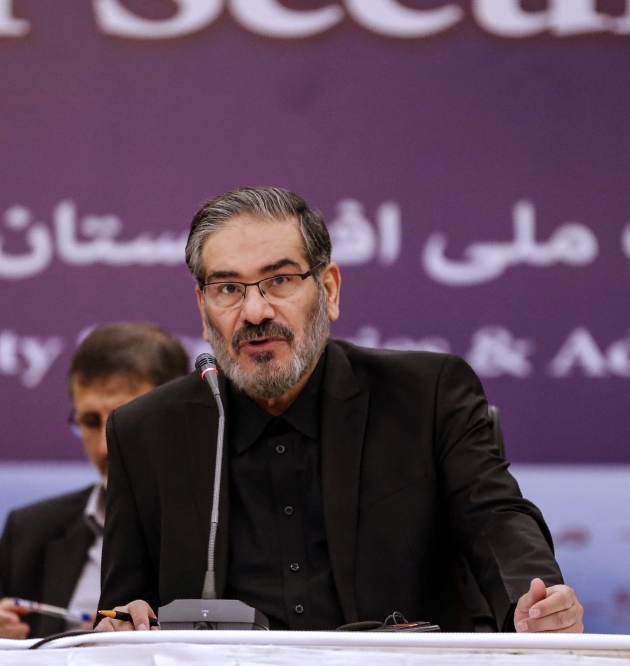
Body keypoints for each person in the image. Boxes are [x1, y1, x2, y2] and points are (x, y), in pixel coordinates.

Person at [96, 187, 584, 633]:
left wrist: (534, 602)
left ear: (328, 291)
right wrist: (118, 627)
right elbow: (121, 609)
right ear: (203, 311)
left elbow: (494, 519)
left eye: (280, 280)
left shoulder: (427, 396)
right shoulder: (145, 432)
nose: (255, 312)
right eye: (228, 289)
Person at [0, 322, 189, 639]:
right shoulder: (30, 533)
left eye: (121, 420)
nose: (103, 446)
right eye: (89, 422)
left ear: (175, 413)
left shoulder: (222, 526)